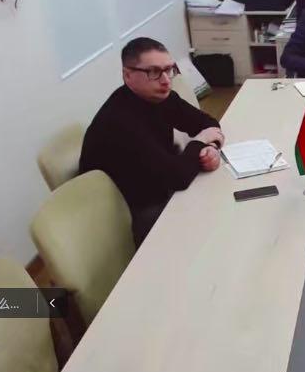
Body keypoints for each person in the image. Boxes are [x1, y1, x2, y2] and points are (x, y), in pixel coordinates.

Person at [80, 37, 223, 246]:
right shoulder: (120, 121)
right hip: (131, 213)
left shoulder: (160, 96)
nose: (165, 80)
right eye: (154, 72)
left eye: (169, 70)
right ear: (127, 75)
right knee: (212, 227)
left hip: (159, 181)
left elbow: (208, 124)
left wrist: (211, 148)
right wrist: (201, 142)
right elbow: (178, 177)